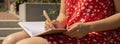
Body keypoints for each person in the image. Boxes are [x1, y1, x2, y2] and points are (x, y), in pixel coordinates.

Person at [2, 0, 120, 44]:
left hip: (99, 34)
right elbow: (63, 14)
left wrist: (89, 27)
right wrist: (56, 24)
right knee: (9, 40)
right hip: (70, 32)